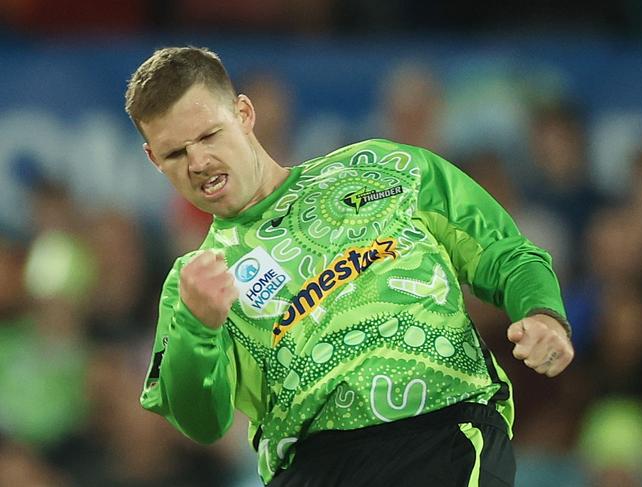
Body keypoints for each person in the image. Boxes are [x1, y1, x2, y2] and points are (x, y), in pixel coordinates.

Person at [125, 46, 574, 487]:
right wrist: (199, 328)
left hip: (440, 433)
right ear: (151, 159)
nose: (198, 163)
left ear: (243, 113)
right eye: (175, 154)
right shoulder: (193, 282)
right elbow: (200, 422)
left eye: (208, 136)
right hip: (309, 467)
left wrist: (542, 311)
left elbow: (504, 251)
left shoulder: (386, 167)